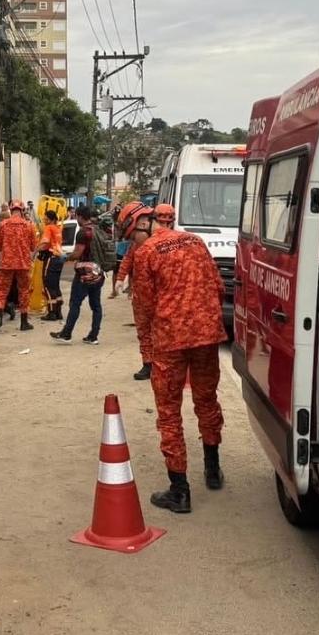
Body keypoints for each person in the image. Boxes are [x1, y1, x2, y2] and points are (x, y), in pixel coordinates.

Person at [129, 204, 227, 514]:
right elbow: (219, 286)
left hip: (170, 340)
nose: (133, 241)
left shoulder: (146, 253)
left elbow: (144, 306)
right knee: (207, 400)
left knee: (169, 412)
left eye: (132, 235)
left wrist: (147, 348)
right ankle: (213, 469)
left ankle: (179, 491)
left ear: (143, 225)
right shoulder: (196, 241)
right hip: (207, 335)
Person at [114, 201, 156, 380]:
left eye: (133, 235)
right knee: (144, 333)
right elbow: (127, 260)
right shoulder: (136, 246)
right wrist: (119, 279)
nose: (132, 238)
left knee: (161, 333)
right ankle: (148, 364)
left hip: (160, 299)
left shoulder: (162, 245)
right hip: (140, 298)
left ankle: (162, 366)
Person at [50, 206, 103, 345]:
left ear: (79, 216)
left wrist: (66, 257)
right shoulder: (97, 229)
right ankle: (93, 336)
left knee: (75, 303)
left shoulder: (82, 232)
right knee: (96, 305)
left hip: (84, 272)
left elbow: (78, 253)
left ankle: (66, 334)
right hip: (98, 271)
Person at [0, 199, 37, 332]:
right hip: (23, 264)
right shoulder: (29, 225)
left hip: (6, 263)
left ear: (11, 210)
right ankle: (24, 322)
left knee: (2, 290)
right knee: (23, 291)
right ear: (22, 211)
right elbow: (33, 246)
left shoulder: (3, 225)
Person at [37, 209, 65, 321]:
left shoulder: (49, 228)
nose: (44, 221)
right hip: (59, 258)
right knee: (55, 285)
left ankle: (51, 312)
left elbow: (45, 242)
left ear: (51, 219)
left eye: (46, 219)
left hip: (51, 258)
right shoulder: (58, 228)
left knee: (48, 285)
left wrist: (35, 251)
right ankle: (58, 311)